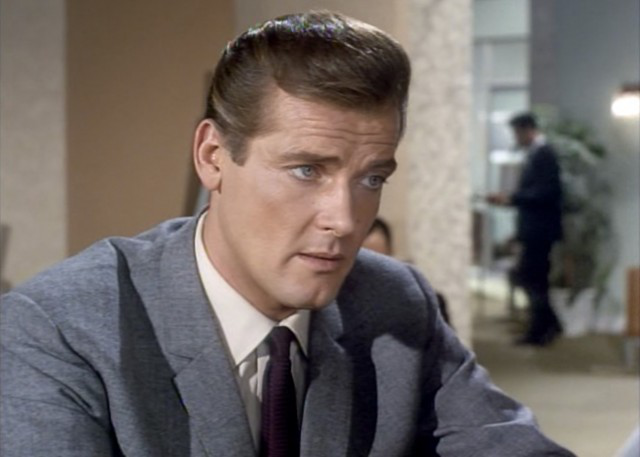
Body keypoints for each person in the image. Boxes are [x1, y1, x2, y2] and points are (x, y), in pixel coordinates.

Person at [0, 12, 574, 456]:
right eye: (306, 170)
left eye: (372, 178)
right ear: (213, 156)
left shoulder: (395, 300)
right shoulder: (58, 329)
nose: (345, 221)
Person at [487, 112, 564, 346]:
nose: (515, 138)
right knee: (533, 278)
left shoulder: (544, 154)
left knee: (532, 278)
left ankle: (541, 329)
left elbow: (547, 192)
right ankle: (548, 325)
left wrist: (512, 198)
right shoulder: (537, 154)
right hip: (535, 229)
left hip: (540, 231)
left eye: (516, 133)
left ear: (526, 130)